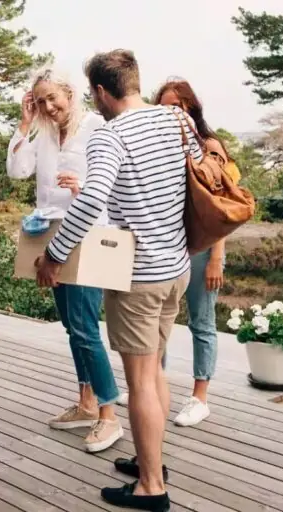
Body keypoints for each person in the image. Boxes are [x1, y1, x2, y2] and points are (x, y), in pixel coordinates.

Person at [35, 50, 202, 511]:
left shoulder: (111, 134)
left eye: (93, 93)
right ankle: (153, 461)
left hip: (140, 275)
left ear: (101, 92)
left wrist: (53, 255)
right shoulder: (176, 120)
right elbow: (196, 174)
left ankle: (151, 486)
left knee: (142, 381)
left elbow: (91, 202)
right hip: (176, 269)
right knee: (155, 372)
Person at [6, 65, 123, 453]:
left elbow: (113, 185)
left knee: (86, 327)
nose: (48, 106)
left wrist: (84, 188)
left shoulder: (95, 127)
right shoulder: (40, 132)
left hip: (89, 234)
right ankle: (87, 403)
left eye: (52, 98)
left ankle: (109, 416)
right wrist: (25, 125)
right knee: (73, 327)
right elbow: (17, 171)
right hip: (48, 235)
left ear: (70, 95)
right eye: (39, 101)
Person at [154, 79, 241, 428]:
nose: (170, 112)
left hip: (203, 250)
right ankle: (152, 384)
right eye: (162, 106)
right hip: (169, 245)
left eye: (176, 105)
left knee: (201, 322)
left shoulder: (209, 147)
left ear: (191, 107)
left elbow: (219, 208)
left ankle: (199, 397)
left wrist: (217, 258)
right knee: (158, 320)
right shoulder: (160, 146)